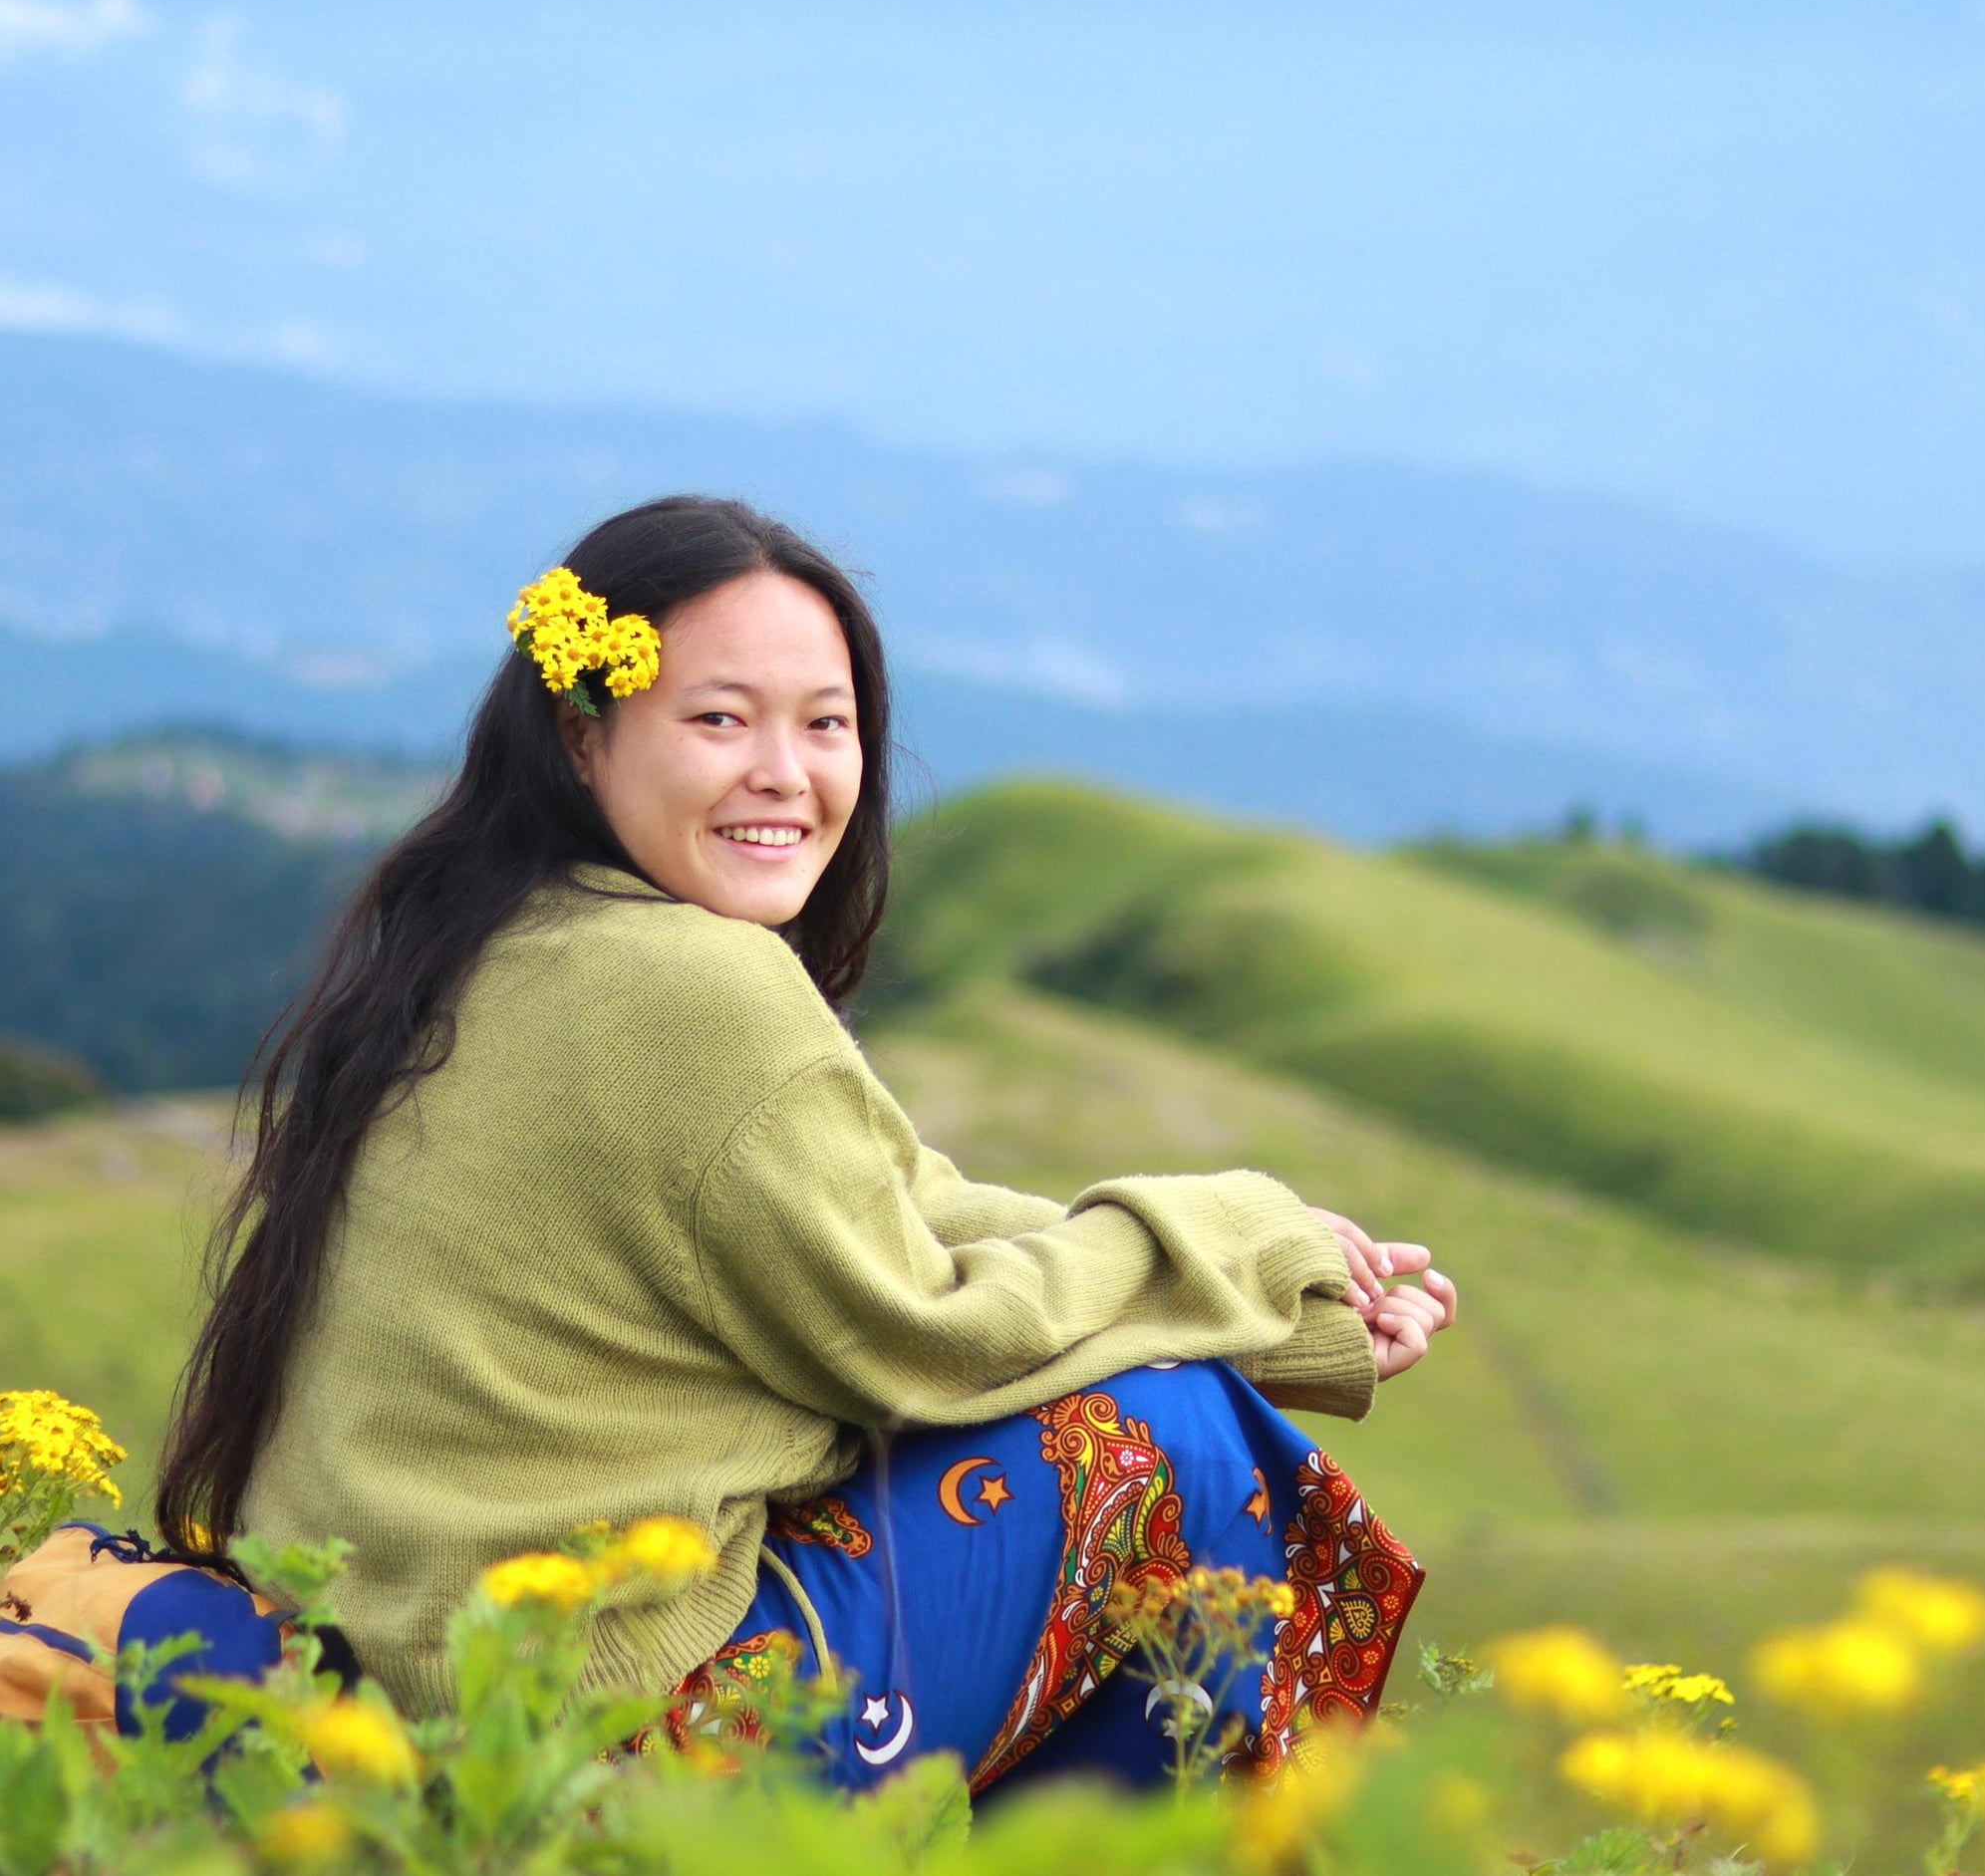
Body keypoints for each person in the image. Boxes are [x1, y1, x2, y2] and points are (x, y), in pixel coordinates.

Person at [145, 494, 1454, 1790]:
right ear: (583, 733)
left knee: (1172, 1397)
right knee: (1178, 1438)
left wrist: (1268, 1293)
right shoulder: (692, 985)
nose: (787, 771)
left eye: (826, 724)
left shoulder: (494, 934)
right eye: (720, 718)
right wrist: (1224, 1241)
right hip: (593, 1750)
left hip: (396, 1715)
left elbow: (892, 1205)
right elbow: (921, 1339)